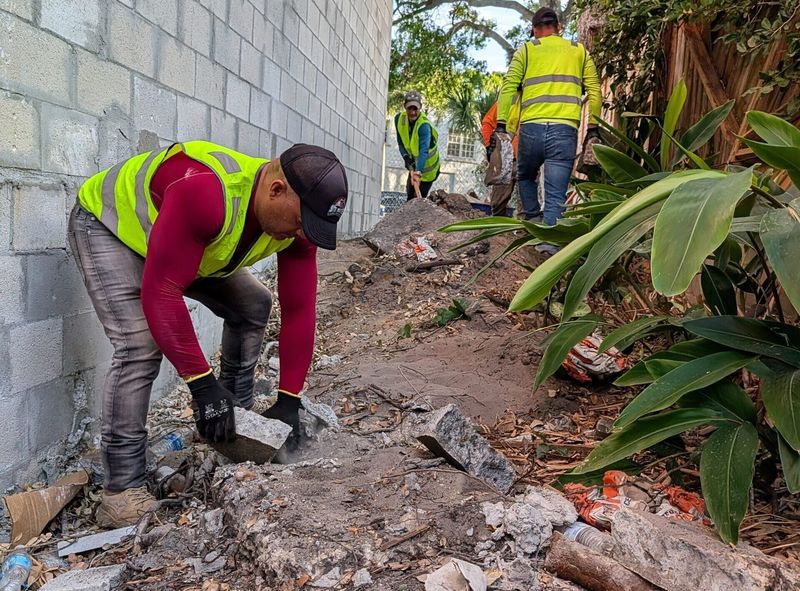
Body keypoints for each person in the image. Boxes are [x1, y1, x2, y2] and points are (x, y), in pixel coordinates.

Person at [68, 141, 348, 527]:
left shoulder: (296, 221)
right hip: (110, 228)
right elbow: (162, 294)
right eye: (302, 222)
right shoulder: (207, 194)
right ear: (276, 190)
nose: (303, 233)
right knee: (139, 345)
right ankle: (121, 489)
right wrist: (202, 386)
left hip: (178, 243)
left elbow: (299, 311)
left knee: (253, 304)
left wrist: (290, 399)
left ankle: (232, 422)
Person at [492, 7, 602, 254]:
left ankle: (532, 224)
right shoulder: (578, 51)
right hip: (564, 131)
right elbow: (595, 90)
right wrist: (593, 127)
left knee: (525, 176)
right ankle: (549, 248)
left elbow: (509, 87)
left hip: (531, 129)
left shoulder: (527, 51)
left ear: (534, 30)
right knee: (555, 194)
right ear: (559, 28)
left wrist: (501, 125)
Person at [394, 90, 440, 200]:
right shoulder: (399, 119)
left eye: (415, 108)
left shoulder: (424, 125)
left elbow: (423, 150)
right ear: (405, 107)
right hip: (415, 166)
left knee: (419, 199)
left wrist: (417, 173)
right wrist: (406, 158)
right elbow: (400, 143)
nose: (413, 112)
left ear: (420, 108)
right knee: (410, 196)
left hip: (429, 170)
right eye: (410, 108)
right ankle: (407, 217)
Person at [482, 96, 520, 217]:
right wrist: (489, 146)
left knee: (526, 203)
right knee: (497, 203)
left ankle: (523, 232)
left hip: (528, 158)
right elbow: (487, 123)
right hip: (506, 158)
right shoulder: (509, 99)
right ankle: (498, 230)